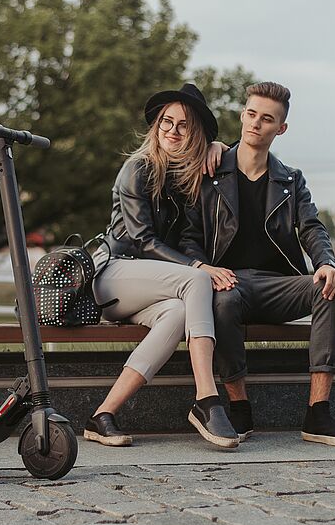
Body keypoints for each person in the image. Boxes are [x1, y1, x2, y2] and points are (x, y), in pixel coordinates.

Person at [179, 81, 335, 447]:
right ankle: (239, 408)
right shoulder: (210, 172)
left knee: (327, 288)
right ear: (242, 115)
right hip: (228, 284)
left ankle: (318, 414)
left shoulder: (290, 180)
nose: (255, 124)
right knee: (223, 300)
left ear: (281, 128)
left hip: (278, 285)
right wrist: (203, 268)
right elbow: (187, 237)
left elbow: (312, 227)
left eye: (266, 119)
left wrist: (327, 263)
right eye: (250, 114)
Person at [83, 83, 239, 449]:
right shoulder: (137, 169)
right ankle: (206, 398)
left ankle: (102, 414)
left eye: (183, 125)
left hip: (148, 284)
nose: (172, 130)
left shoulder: (186, 180)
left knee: (177, 312)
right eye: (167, 122)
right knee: (196, 283)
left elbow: (186, 238)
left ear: (195, 134)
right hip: (112, 274)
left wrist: (222, 148)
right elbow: (142, 241)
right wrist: (199, 267)